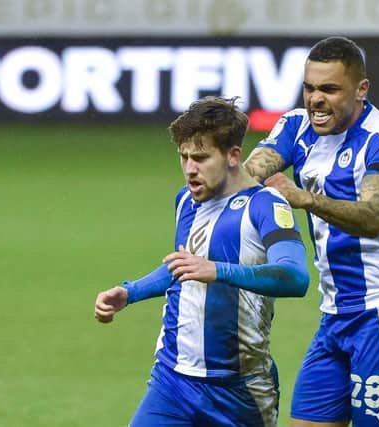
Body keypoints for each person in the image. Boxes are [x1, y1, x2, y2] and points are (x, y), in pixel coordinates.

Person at [244, 36, 379, 427]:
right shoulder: (297, 126)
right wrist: (207, 173)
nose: (316, 99)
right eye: (310, 88)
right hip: (334, 316)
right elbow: (248, 175)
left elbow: (375, 215)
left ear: (361, 89)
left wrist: (306, 199)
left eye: (329, 89)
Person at [94, 96, 309, 427]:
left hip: (238, 389)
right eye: (184, 157)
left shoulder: (266, 207)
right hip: (173, 380)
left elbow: (296, 278)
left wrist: (218, 270)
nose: (190, 168)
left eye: (201, 157)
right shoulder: (187, 202)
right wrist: (130, 292)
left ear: (233, 155)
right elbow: (183, 268)